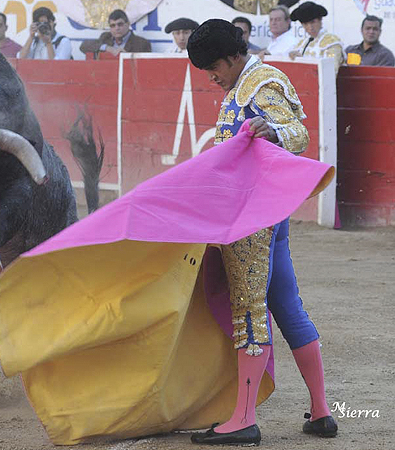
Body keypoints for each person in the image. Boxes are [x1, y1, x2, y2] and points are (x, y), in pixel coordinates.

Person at [186, 19, 337, 446]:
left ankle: (244, 418)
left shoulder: (260, 82)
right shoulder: (243, 84)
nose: (211, 76)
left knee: (249, 309)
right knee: (287, 306)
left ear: (234, 55)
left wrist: (273, 130)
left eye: (214, 66)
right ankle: (321, 412)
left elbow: (299, 133)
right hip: (268, 214)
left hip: (252, 217)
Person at [288, 1, 344, 75]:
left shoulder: (332, 43)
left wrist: (303, 61)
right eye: (305, 24)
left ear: (320, 20)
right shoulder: (301, 44)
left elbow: (330, 72)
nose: (310, 27)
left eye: (313, 22)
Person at [79, 9, 151, 58]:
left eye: (120, 24)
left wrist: (127, 57)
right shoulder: (105, 37)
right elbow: (84, 46)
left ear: (128, 24)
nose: (117, 28)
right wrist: (108, 48)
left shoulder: (142, 43)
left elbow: (145, 68)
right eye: (113, 25)